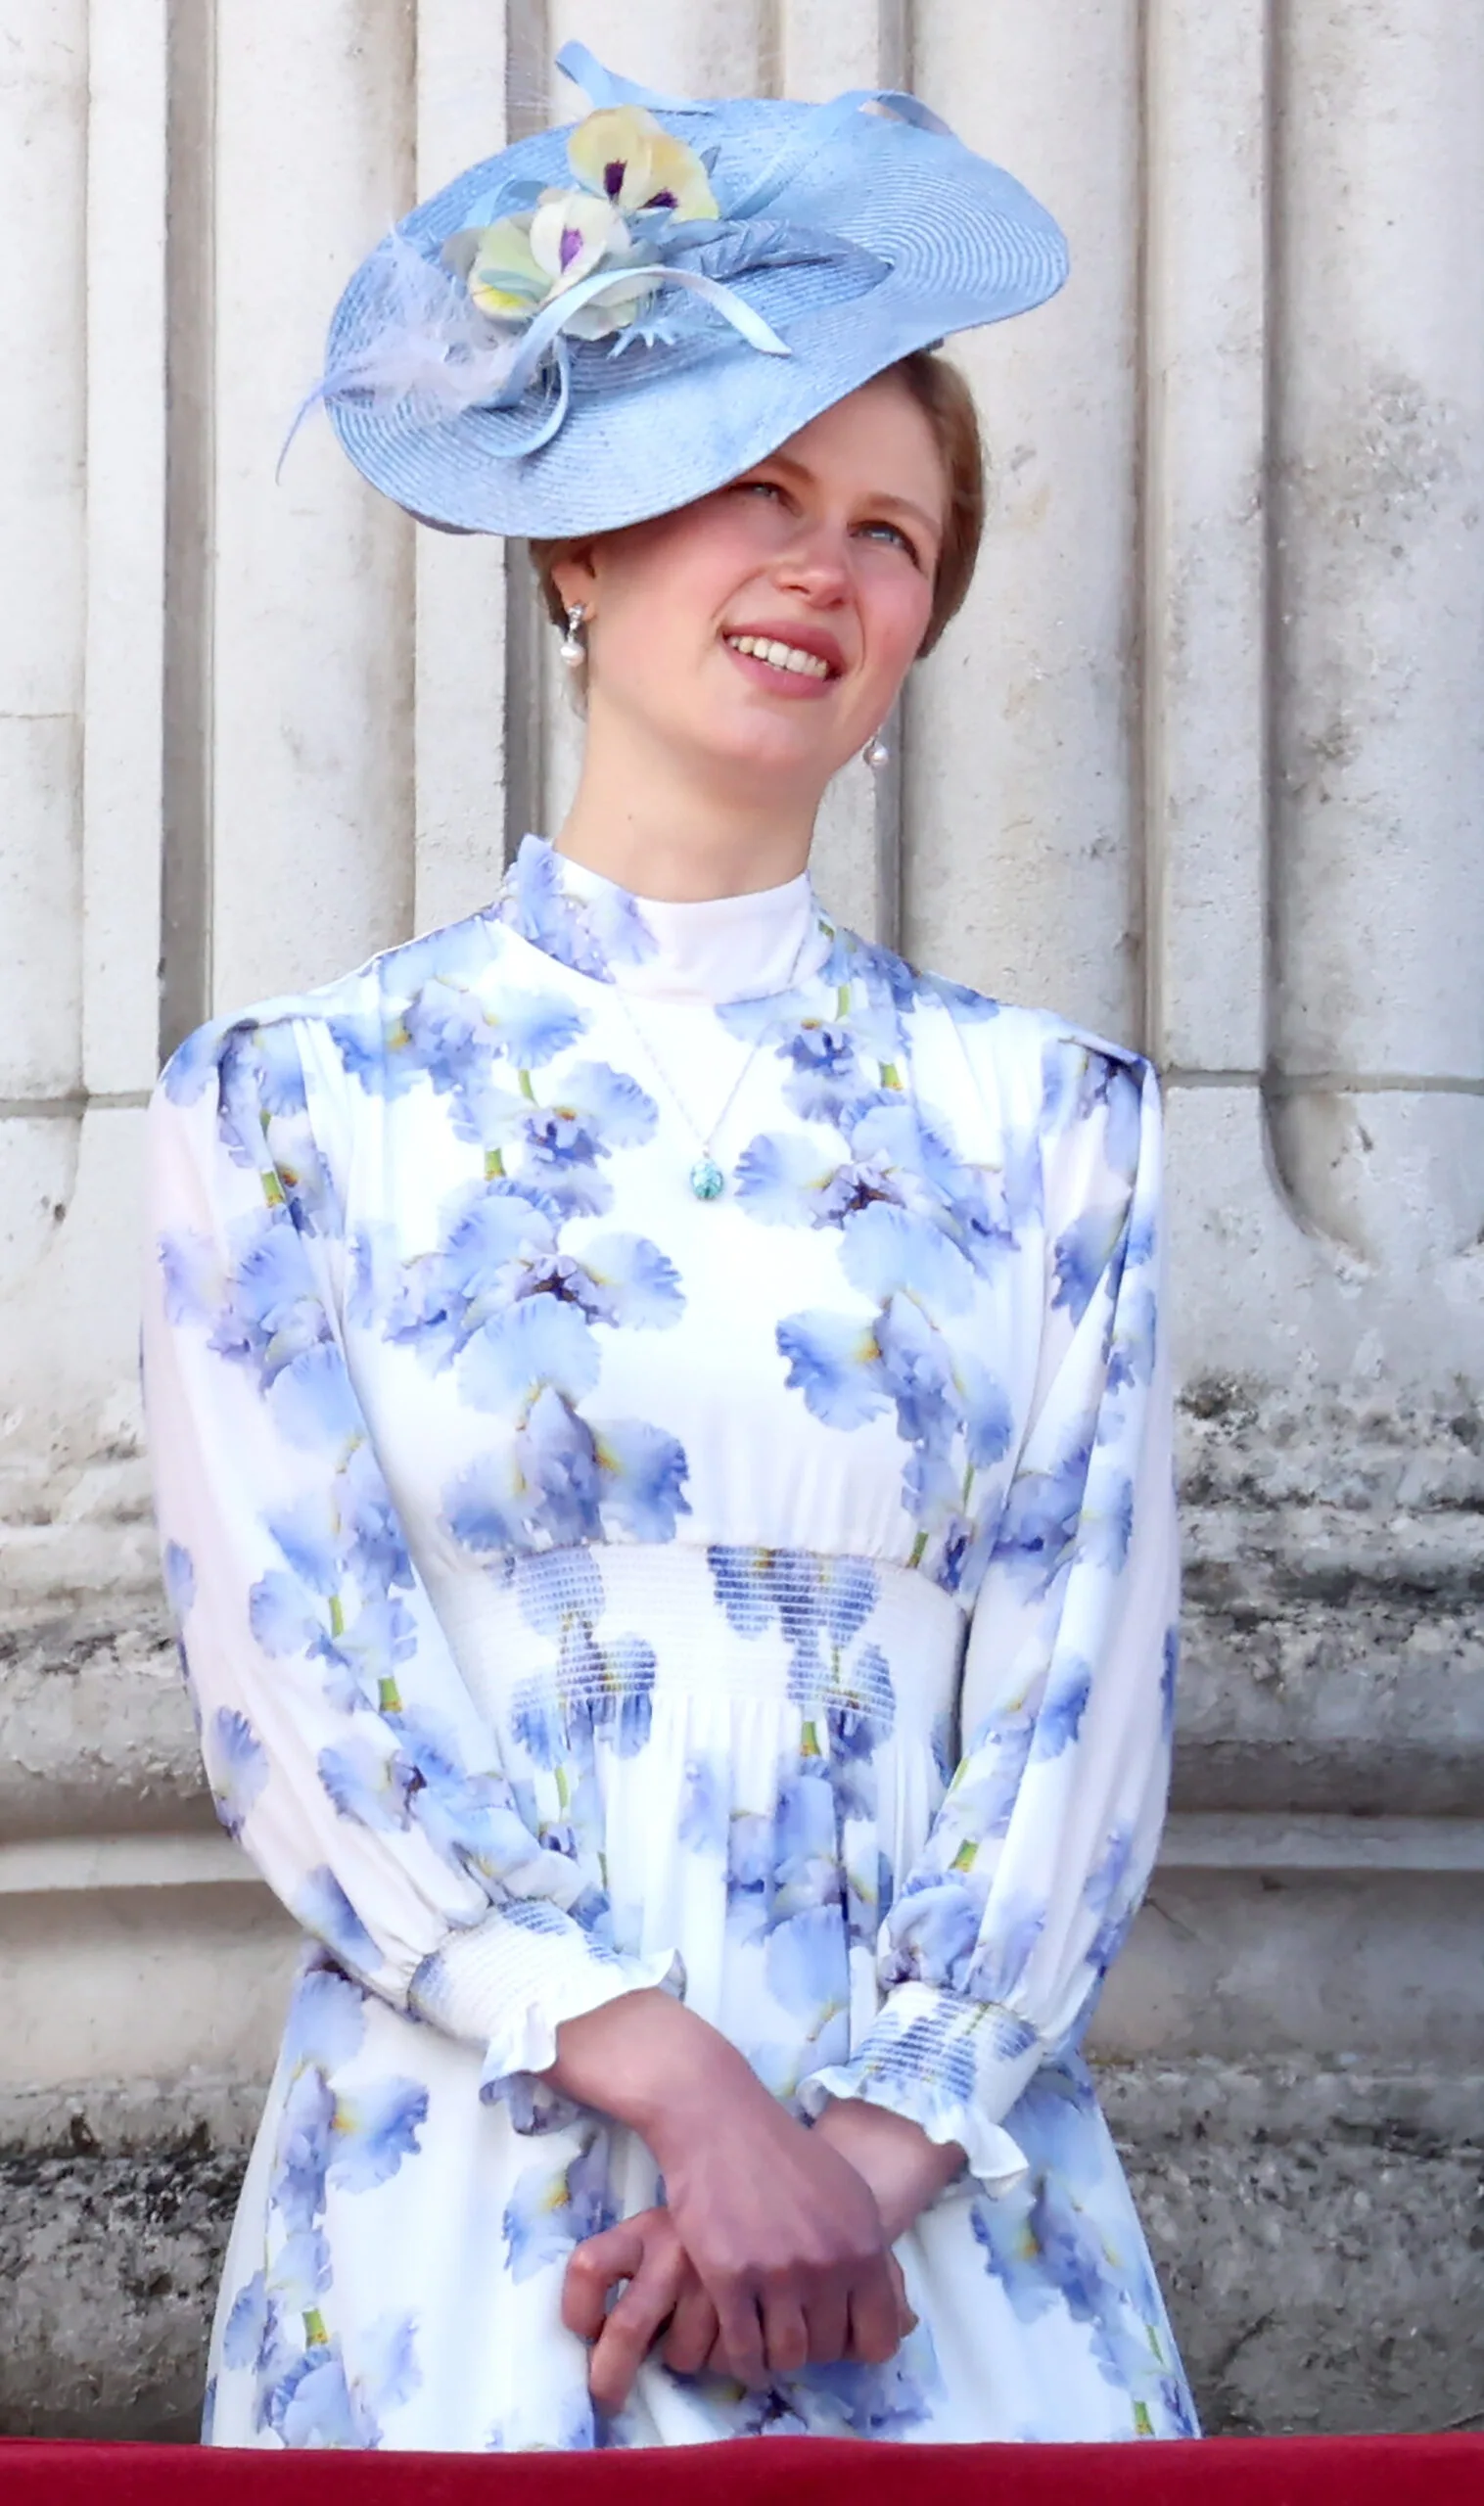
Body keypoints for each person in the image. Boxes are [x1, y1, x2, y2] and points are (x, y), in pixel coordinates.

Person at [142, 43, 1198, 2452]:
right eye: (755, 488)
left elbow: (1074, 1699)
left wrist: (862, 2144)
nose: (824, 566)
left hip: (931, 2217)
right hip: (468, 2184)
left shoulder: (1050, 1130)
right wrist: (681, 2097)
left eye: (894, 533)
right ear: (581, 543)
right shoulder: (295, 1106)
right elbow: (300, 1673)